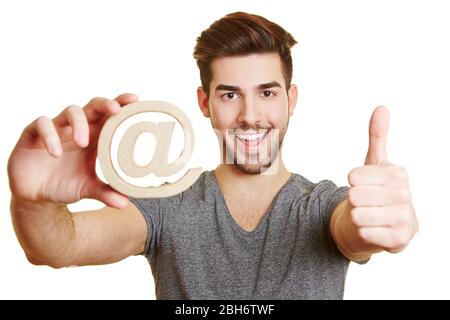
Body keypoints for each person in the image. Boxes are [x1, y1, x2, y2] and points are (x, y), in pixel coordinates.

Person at [7, 12, 418, 299]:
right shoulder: (168, 206)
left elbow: (353, 230)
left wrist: (379, 223)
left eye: (268, 93)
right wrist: (35, 200)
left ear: (291, 99)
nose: (250, 115)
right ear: (205, 103)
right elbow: (58, 247)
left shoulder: (323, 206)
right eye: (230, 94)